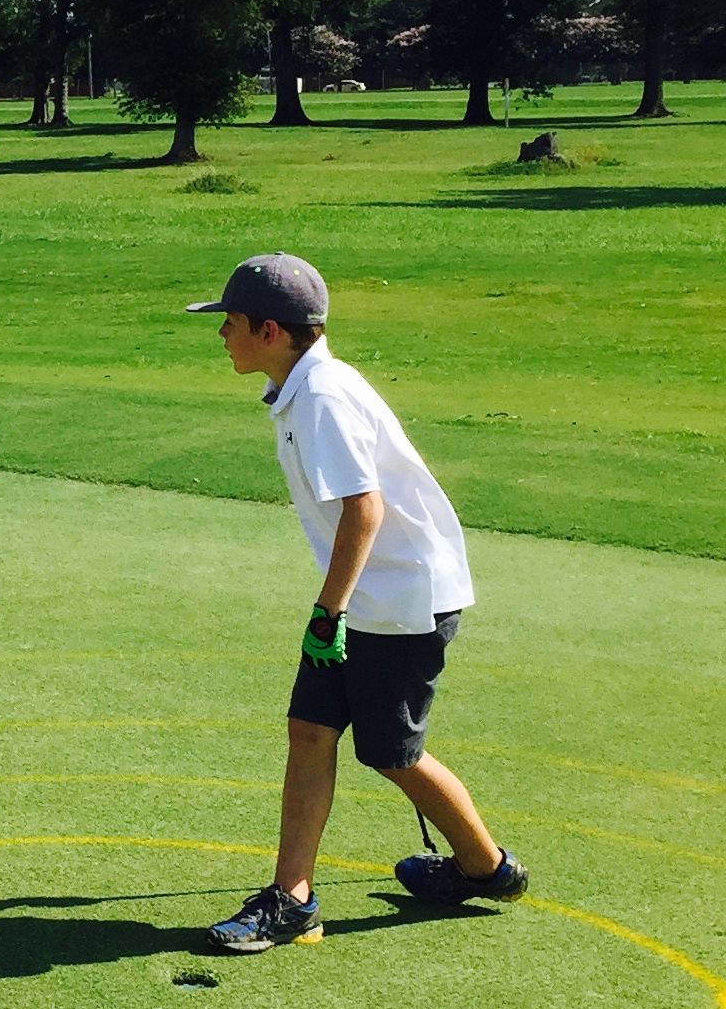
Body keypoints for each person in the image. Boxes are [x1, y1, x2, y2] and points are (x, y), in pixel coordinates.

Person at [186, 253, 527, 953]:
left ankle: (484, 867)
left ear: (271, 331)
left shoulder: (323, 399)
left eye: (231, 323)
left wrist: (328, 610)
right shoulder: (303, 388)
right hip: (367, 598)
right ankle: (292, 899)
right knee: (309, 730)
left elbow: (364, 512)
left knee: (392, 752)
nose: (222, 334)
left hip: (400, 600)